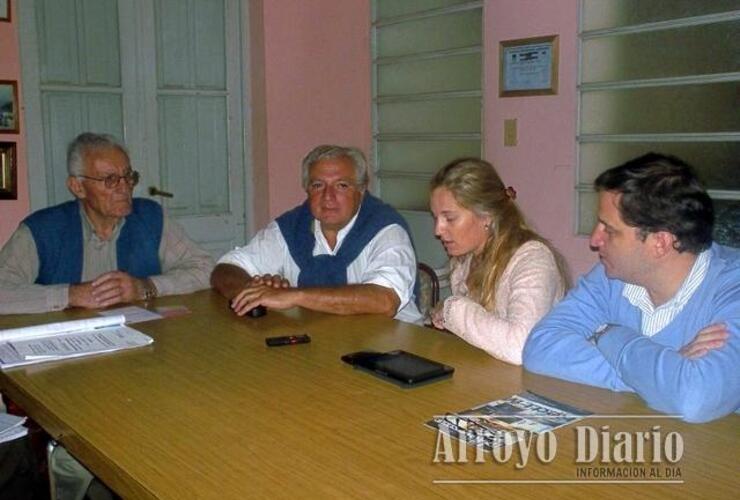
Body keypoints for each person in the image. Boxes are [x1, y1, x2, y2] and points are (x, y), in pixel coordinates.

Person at [523, 153, 739, 423]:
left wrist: (609, 335)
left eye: (609, 230)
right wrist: (661, 372)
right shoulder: (610, 277)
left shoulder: (733, 290)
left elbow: (695, 398)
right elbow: (540, 348)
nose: (594, 239)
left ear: (660, 243)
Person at [0, 132, 215, 314]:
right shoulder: (42, 230)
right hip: (68, 350)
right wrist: (70, 295)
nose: (124, 188)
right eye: (110, 180)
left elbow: (206, 270)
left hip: (143, 344)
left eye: (128, 177)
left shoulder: (149, 218)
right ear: (77, 187)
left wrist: (145, 287)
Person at [212, 144, 422, 324]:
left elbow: (384, 301)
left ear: (361, 189)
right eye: (318, 185)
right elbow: (225, 269)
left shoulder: (386, 229)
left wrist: (293, 296)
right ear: (307, 190)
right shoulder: (291, 227)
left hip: (393, 347)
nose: (328, 197)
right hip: (322, 342)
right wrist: (255, 292)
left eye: (341, 185)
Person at [428, 158, 566, 365]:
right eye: (436, 218)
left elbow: (520, 347)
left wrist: (452, 309)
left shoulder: (533, 259)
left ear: (486, 216)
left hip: (542, 385)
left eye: (450, 218)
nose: (437, 230)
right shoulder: (465, 260)